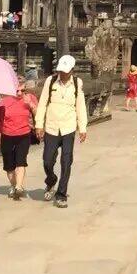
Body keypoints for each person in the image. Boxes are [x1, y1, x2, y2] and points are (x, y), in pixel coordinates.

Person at [35, 54, 88, 208]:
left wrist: (82, 127)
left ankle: (61, 194)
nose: (62, 74)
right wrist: (39, 124)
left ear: (72, 70)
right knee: (47, 160)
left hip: (68, 127)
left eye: (65, 71)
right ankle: (51, 181)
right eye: (60, 71)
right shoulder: (51, 81)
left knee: (66, 161)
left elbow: (80, 106)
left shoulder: (77, 83)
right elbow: (42, 103)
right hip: (51, 127)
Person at [0, 86, 35, 200]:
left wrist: (31, 104)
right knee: (9, 165)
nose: (19, 93)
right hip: (7, 135)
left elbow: (38, 113)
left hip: (24, 134)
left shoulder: (30, 98)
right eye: (17, 91)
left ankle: (19, 186)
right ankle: (13, 185)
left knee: (21, 161)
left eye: (22, 91)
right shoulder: (3, 102)